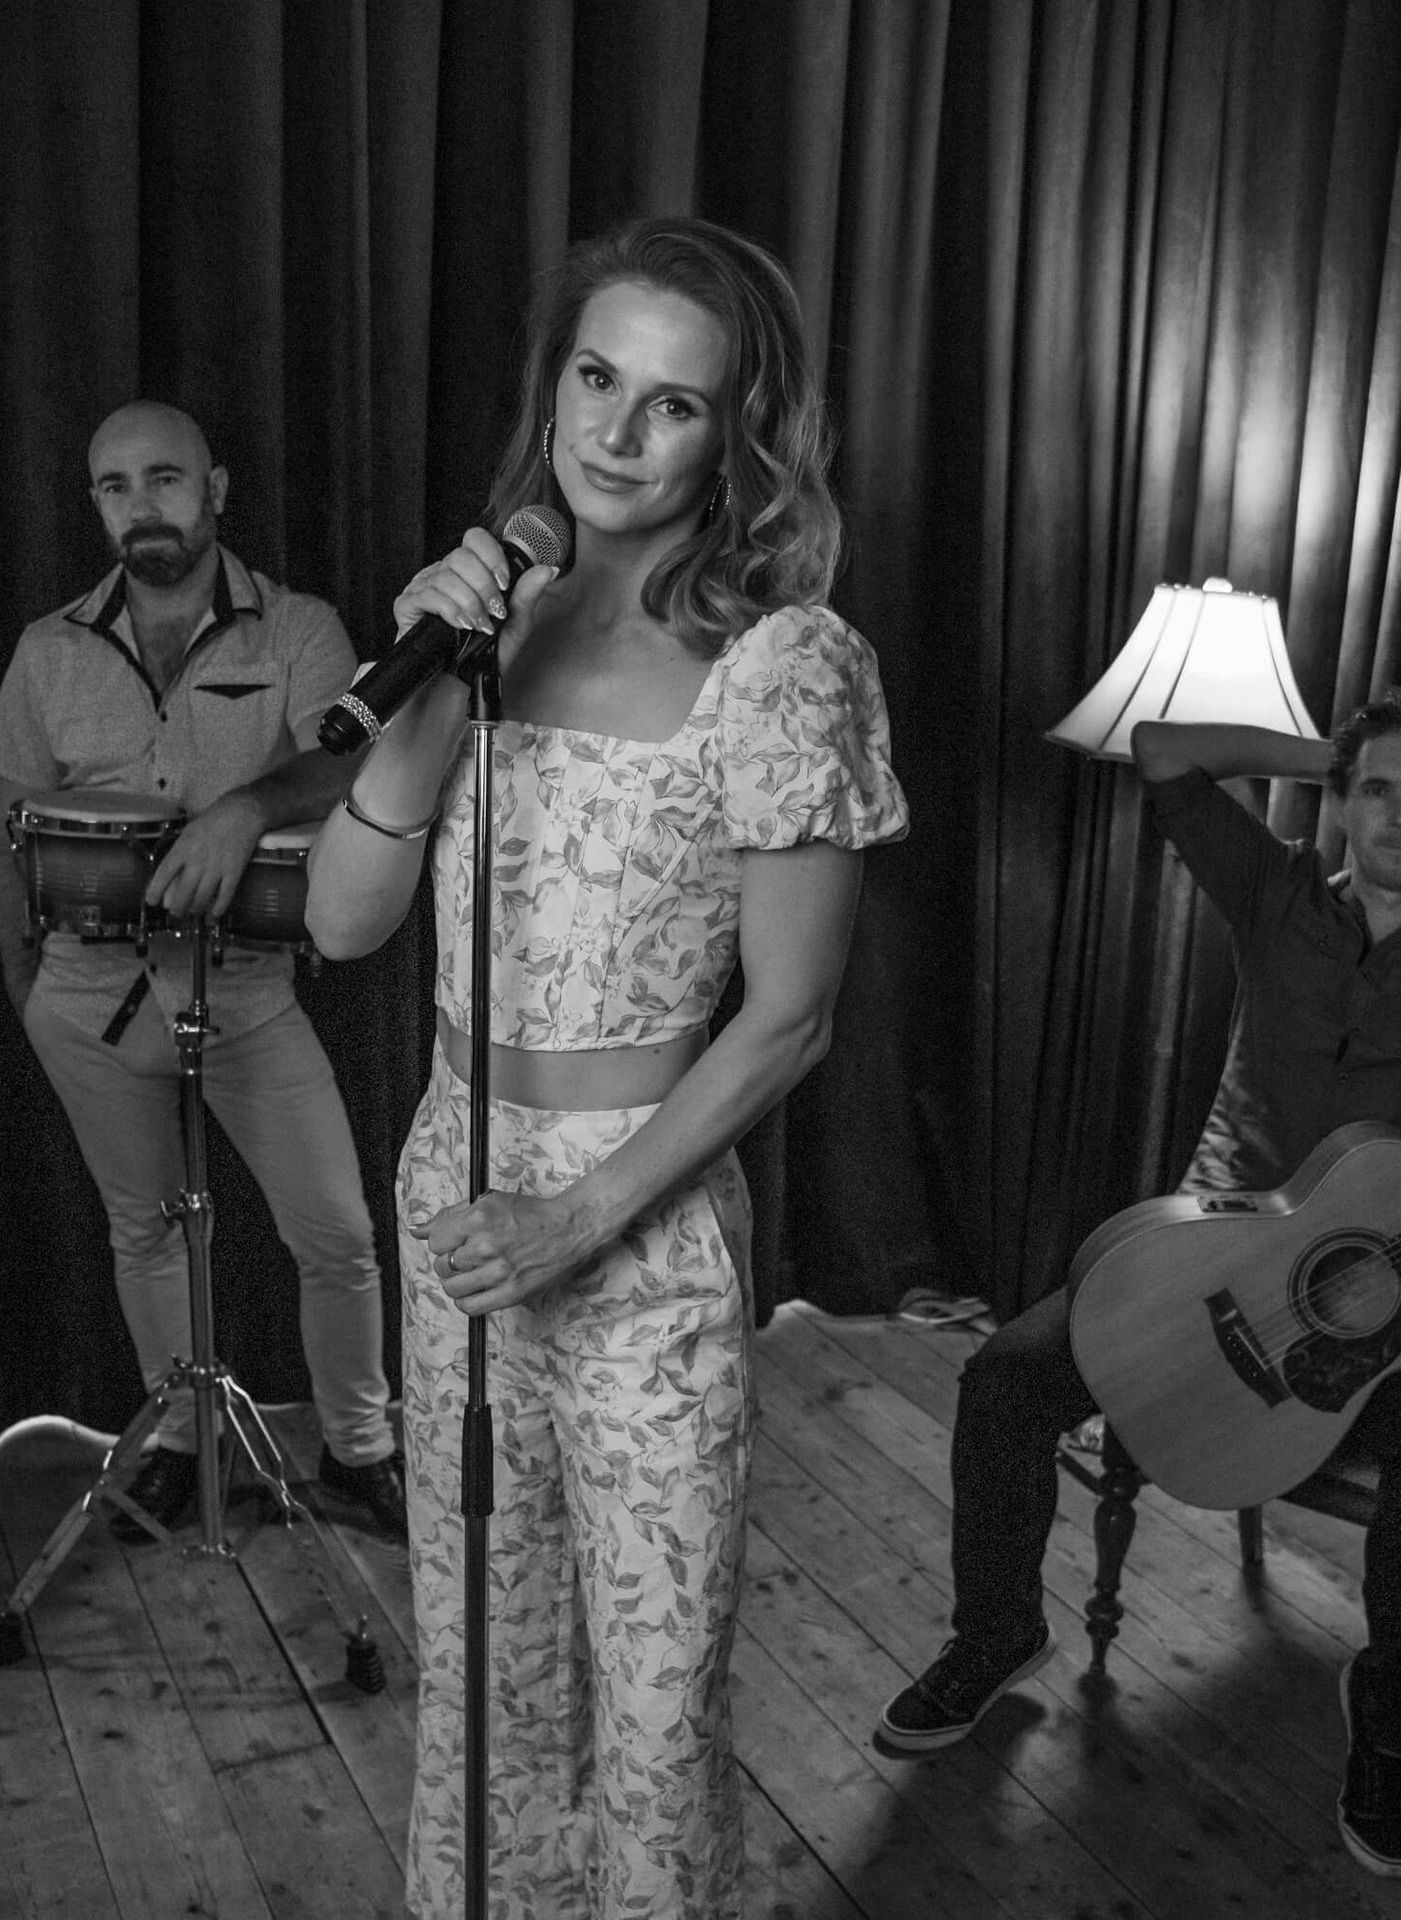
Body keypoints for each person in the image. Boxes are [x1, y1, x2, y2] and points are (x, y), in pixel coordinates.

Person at [304, 215, 908, 1919]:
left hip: (637, 1235)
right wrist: (428, 683)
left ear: (743, 434)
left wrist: (584, 1224)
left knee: (648, 1713)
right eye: (595, 376)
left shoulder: (781, 662)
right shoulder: (484, 622)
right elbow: (347, 925)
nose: (618, 431)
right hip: (453, 1204)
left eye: (675, 403)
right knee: (482, 1677)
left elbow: (790, 1016)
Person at [877, 688, 1401, 1879]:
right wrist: (1351, 754)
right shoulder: (1273, 894)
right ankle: (997, 1633)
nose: (1399, 817)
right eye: (1376, 792)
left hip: (1380, 1297)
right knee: (1006, 1379)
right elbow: (1163, 751)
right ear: (1340, 804)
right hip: (1206, 1259)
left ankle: (1395, 1717)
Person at [0, 401, 406, 1543]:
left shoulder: (298, 627)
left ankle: (362, 1451)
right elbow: (7, 831)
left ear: (214, 489)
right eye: (115, 488)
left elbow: (353, 758)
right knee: (145, 1230)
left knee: (336, 1233)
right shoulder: (48, 649)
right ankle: (177, 1439)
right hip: (82, 993)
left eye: (163, 480)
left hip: (246, 986)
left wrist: (246, 810)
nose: (141, 508)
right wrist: (30, 992)